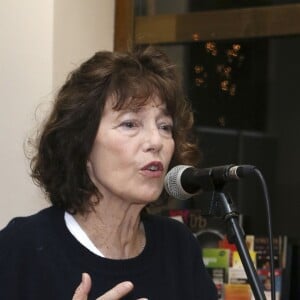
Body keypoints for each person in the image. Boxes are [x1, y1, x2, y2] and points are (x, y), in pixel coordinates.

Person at [0, 46, 217, 299]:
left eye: (165, 126)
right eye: (130, 124)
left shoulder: (178, 247)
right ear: (82, 143)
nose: (156, 141)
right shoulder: (21, 248)